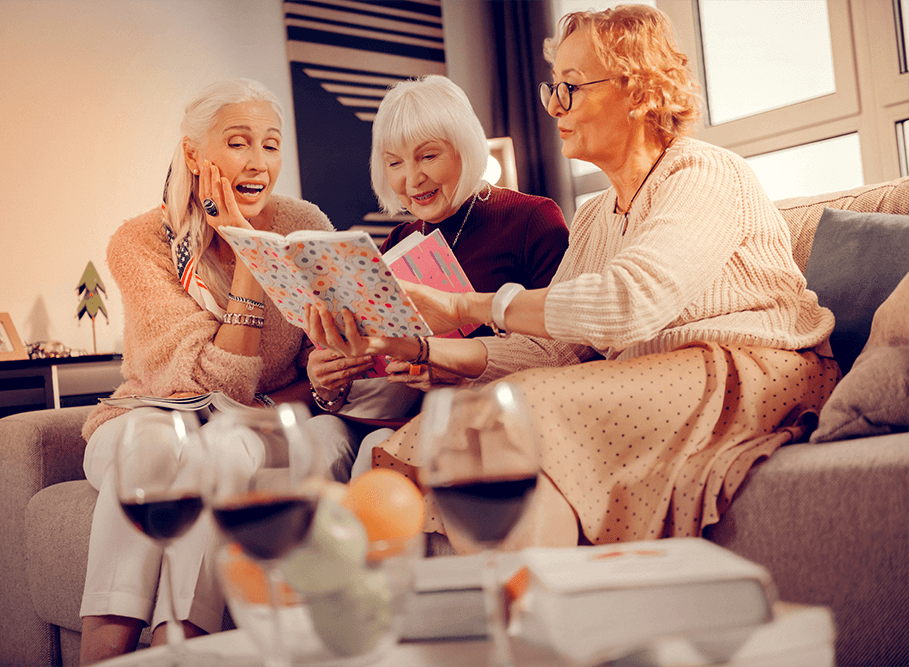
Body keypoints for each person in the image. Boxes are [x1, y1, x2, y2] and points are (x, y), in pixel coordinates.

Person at [307, 5, 841, 553]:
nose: (555, 106)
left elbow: (630, 301)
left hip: (751, 368)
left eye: (571, 87)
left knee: (514, 408)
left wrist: (467, 308)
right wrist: (422, 346)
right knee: (476, 419)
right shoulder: (595, 215)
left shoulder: (703, 171)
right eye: (552, 89)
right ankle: (510, 615)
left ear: (638, 91)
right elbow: (552, 350)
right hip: (659, 373)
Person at [78, 78, 333, 664]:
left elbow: (309, 368)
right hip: (146, 416)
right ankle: (103, 654)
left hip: (248, 424)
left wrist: (254, 242)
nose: (259, 162)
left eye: (271, 145)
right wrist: (248, 254)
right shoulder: (142, 241)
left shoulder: (302, 224)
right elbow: (213, 386)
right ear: (194, 155)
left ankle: (180, 649)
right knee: (154, 451)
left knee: (209, 457)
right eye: (239, 143)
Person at [304, 75, 569, 482]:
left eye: (428, 157)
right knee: (315, 439)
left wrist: (450, 365)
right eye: (395, 163)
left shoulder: (532, 218)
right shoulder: (399, 240)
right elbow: (379, 365)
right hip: (394, 414)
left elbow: (563, 345)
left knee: (375, 458)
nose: (412, 180)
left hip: (487, 414)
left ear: (464, 148)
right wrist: (330, 381)